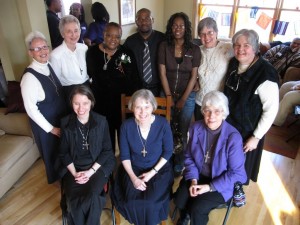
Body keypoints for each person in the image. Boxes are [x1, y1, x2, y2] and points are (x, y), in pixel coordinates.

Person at [173, 91, 247, 225]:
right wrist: (194, 180)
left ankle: (194, 215)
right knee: (179, 199)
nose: (211, 116)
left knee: (198, 208)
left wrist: (209, 187)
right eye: (207, 110)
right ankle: (186, 216)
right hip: (198, 175)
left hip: (221, 182)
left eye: (217, 111)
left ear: (224, 113)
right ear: (203, 111)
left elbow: (237, 173)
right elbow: (189, 156)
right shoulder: (195, 128)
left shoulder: (233, 137)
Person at [224, 29, 279, 185]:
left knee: (241, 166)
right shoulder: (234, 63)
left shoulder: (266, 73)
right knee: (227, 160)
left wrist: (256, 137)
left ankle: (236, 191)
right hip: (230, 124)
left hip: (248, 131)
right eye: (237, 45)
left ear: (255, 48)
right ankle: (224, 187)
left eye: (246, 45)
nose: (240, 49)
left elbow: (271, 110)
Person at [111, 89, 174, 225]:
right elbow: (125, 156)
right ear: (132, 108)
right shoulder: (126, 126)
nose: (143, 111)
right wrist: (133, 178)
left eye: (146, 106)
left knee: (151, 202)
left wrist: (152, 172)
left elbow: (168, 152)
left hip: (158, 169)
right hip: (132, 169)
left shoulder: (163, 124)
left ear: (153, 107)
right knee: (131, 201)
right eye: (138, 107)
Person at [57, 85, 116, 225]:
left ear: (91, 102)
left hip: (97, 167)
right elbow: (63, 152)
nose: (80, 108)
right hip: (73, 168)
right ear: (71, 103)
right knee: (75, 198)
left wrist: (90, 172)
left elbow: (107, 151)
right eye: (76, 103)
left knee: (92, 197)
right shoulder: (65, 123)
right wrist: (75, 173)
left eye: (85, 103)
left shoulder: (101, 121)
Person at [86, 22, 140, 152]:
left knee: (124, 137)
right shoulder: (92, 53)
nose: (113, 39)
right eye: (109, 35)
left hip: (122, 104)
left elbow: (134, 78)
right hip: (101, 104)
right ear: (103, 35)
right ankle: (108, 168)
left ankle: (124, 165)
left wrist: (134, 102)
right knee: (105, 138)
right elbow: (88, 76)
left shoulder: (125, 53)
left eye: (117, 36)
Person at [20, 31, 66, 184]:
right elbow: (31, 109)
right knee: (51, 153)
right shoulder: (29, 77)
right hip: (46, 124)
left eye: (44, 47)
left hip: (59, 118)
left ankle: (67, 177)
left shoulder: (48, 65)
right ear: (30, 53)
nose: (42, 51)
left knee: (63, 150)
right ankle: (60, 182)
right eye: (37, 49)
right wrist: (51, 129)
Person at [158, 12, 200, 173]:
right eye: (175, 25)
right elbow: (162, 73)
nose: (178, 28)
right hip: (166, 94)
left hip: (187, 96)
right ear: (170, 27)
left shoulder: (194, 49)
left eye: (181, 25)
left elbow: (193, 75)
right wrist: (168, 97)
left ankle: (179, 161)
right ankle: (166, 159)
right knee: (166, 128)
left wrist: (183, 99)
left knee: (182, 130)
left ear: (186, 28)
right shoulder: (164, 46)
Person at [195, 17, 234, 121]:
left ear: (216, 32)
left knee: (216, 134)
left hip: (219, 104)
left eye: (210, 32)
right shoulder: (197, 51)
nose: (206, 37)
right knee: (200, 131)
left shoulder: (228, 48)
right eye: (202, 34)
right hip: (200, 101)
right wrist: (196, 81)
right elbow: (191, 70)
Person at [124, 8, 165, 96]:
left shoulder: (163, 39)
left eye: (147, 18)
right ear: (136, 22)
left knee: (158, 109)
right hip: (137, 89)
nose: (144, 22)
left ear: (152, 20)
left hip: (159, 88)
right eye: (140, 19)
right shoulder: (130, 42)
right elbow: (123, 60)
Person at [50, 15, 89, 103]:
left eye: (76, 30)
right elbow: (56, 82)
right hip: (70, 91)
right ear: (62, 33)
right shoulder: (55, 55)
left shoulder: (84, 48)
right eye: (69, 31)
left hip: (87, 87)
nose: (73, 35)